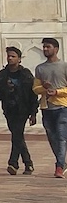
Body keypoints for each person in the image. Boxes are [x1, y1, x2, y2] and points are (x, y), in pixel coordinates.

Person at [0, 44, 39, 173]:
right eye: (9, 56)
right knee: (17, 136)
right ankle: (26, 164)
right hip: (9, 110)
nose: (10, 58)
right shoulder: (2, 74)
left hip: (22, 110)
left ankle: (15, 163)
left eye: (13, 56)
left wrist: (33, 113)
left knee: (17, 135)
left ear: (19, 59)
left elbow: (32, 94)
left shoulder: (25, 74)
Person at [33, 37, 67, 178]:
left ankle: (59, 165)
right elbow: (35, 88)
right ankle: (62, 162)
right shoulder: (40, 68)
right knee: (52, 137)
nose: (45, 49)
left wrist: (57, 92)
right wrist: (44, 88)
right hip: (47, 107)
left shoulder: (64, 66)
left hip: (62, 106)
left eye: (48, 47)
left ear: (56, 49)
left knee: (61, 136)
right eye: (44, 47)